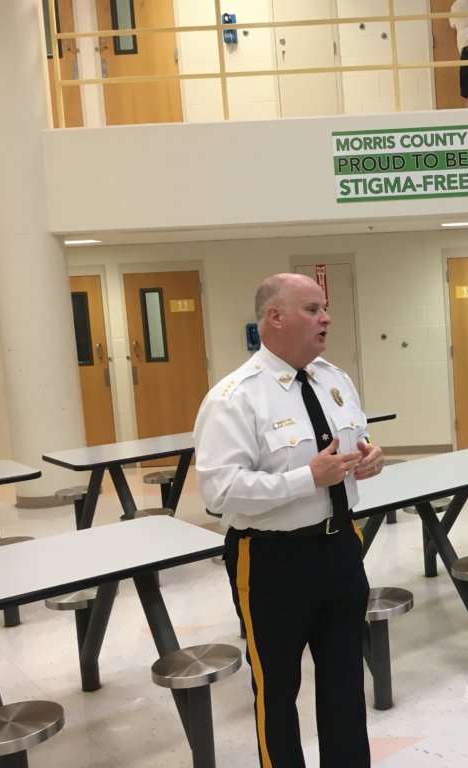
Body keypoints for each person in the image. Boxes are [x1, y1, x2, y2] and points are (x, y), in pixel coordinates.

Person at [194, 273, 385, 767]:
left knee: (345, 685)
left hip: (341, 548)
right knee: (277, 692)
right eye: (312, 309)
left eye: (324, 308)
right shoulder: (235, 397)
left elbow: (352, 447)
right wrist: (307, 479)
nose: (326, 318)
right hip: (271, 561)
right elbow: (218, 493)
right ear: (273, 318)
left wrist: (368, 459)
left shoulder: (334, 379)